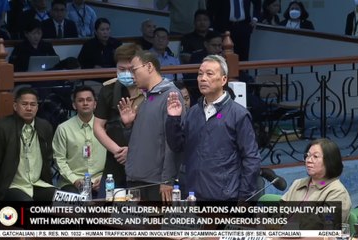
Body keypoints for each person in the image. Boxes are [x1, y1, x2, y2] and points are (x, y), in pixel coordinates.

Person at [166, 54, 261, 201]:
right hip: (193, 195)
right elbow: (177, 146)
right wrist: (173, 118)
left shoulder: (238, 114)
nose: (203, 78)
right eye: (200, 74)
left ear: (223, 79)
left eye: (209, 74)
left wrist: (244, 197)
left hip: (225, 196)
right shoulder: (193, 112)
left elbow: (251, 158)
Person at [117, 50, 184, 202]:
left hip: (157, 182)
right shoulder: (147, 98)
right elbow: (138, 141)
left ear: (148, 67)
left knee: (156, 225)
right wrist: (128, 126)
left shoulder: (170, 95)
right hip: (136, 178)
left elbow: (173, 142)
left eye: (134, 70)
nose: (131, 75)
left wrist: (167, 180)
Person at [0, 87, 56, 213]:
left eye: (33, 104)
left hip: (38, 184)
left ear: (37, 108)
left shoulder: (45, 126)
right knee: (29, 208)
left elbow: (48, 159)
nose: (29, 108)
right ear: (15, 106)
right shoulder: (1, 127)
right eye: (24, 104)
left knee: (70, 202)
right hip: (12, 186)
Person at [93, 43, 144, 196]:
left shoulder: (151, 90)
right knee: (105, 210)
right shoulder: (108, 89)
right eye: (122, 70)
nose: (127, 74)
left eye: (131, 70)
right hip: (115, 158)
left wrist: (132, 152)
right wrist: (118, 151)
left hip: (144, 159)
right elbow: (98, 127)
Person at [281, 138, 352, 224]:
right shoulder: (298, 184)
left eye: (315, 156)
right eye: (307, 155)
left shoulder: (337, 192)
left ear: (329, 161)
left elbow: (324, 227)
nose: (308, 160)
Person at [53, 86, 106, 194]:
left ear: (95, 104)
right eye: (80, 100)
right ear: (74, 105)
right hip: (72, 182)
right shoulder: (63, 129)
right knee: (76, 207)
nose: (85, 103)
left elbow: (112, 157)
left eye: (89, 100)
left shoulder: (105, 126)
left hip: (100, 180)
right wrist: (75, 180)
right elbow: (59, 160)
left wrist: (103, 177)